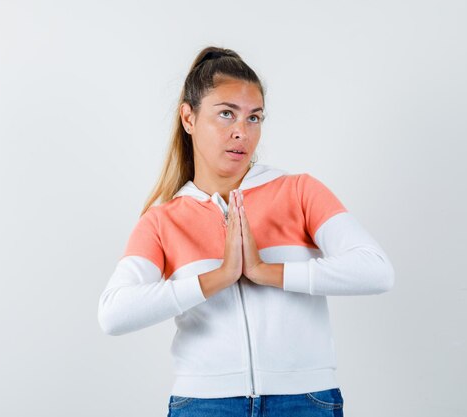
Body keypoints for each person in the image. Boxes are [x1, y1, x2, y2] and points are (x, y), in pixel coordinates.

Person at [97, 46, 395, 417]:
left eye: (254, 118)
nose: (242, 132)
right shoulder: (163, 220)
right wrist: (219, 277)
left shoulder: (298, 191)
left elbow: (376, 270)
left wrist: (265, 272)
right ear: (188, 117)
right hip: (204, 404)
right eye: (226, 114)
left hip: (305, 399)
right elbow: (113, 314)